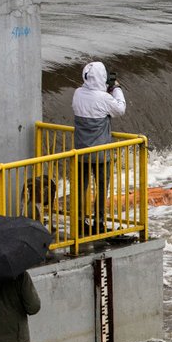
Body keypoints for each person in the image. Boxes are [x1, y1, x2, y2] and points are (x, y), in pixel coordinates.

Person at [72, 61, 126, 235]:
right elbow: (120, 110)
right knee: (102, 188)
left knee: (82, 187)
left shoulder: (77, 94)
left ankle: (80, 220)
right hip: (100, 154)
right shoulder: (103, 98)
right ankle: (100, 220)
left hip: (81, 152)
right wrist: (116, 88)